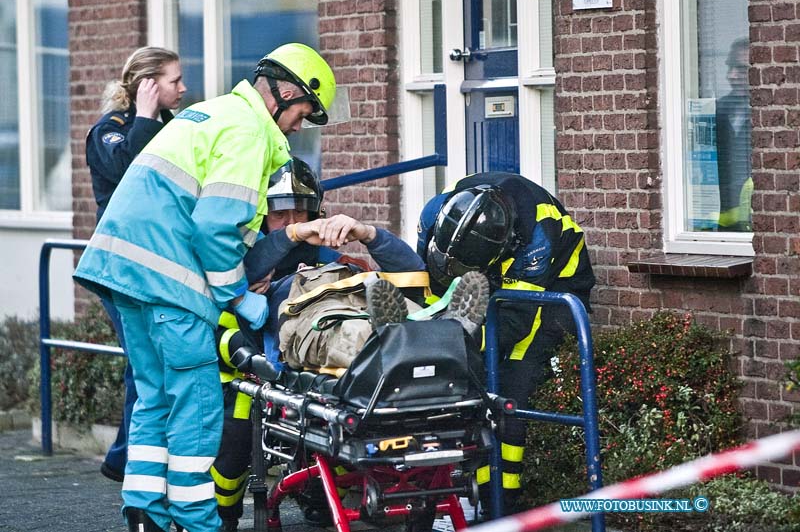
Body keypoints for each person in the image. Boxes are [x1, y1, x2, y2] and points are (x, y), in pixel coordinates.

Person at [74, 43, 337, 532]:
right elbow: (215, 229)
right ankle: (198, 523)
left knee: (153, 399)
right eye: (304, 111)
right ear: (283, 92)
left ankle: (145, 515)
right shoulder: (248, 133)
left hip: (123, 270)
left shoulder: (209, 113)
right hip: (168, 282)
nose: (302, 125)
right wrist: (237, 295)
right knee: (195, 410)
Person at [211, 156, 426, 532]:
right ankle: (222, 518)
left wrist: (368, 234)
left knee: (378, 306)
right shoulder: (241, 258)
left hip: (336, 345)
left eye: (301, 212)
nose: (293, 223)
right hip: (263, 359)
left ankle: (415, 333)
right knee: (233, 445)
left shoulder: (330, 258)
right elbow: (237, 281)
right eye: (280, 215)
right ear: (262, 216)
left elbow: (414, 276)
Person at [416, 172, 596, 517]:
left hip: (553, 296)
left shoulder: (536, 238)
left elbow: (515, 322)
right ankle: (469, 490)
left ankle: (501, 504)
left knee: (511, 382)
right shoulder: (436, 213)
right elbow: (432, 286)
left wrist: (458, 341)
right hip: (494, 284)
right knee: (463, 376)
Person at [86, 46, 186, 483]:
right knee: (144, 362)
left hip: (155, 262)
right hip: (119, 267)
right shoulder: (109, 131)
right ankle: (127, 459)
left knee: (147, 362)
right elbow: (130, 170)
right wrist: (144, 115)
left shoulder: (170, 126)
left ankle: (126, 457)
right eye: (173, 81)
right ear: (147, 85)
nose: (183, 88)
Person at [716, 37, 752, 231]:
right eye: (730, 67)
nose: (731, 75)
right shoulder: (718, 110)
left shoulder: (772, 115)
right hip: (722, 223)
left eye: (741, 69)